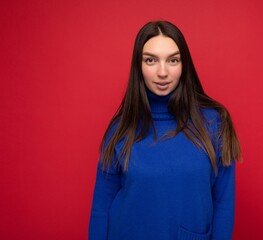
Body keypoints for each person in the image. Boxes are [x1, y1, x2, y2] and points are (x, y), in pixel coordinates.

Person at [89, 20, 241, 240]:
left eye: (173, 60)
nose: (162, 72)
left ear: (184, 65)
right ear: (138, 66)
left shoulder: (214, 123)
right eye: (151, 60)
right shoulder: (120, 128)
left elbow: (223, 202)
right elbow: (101, 207)